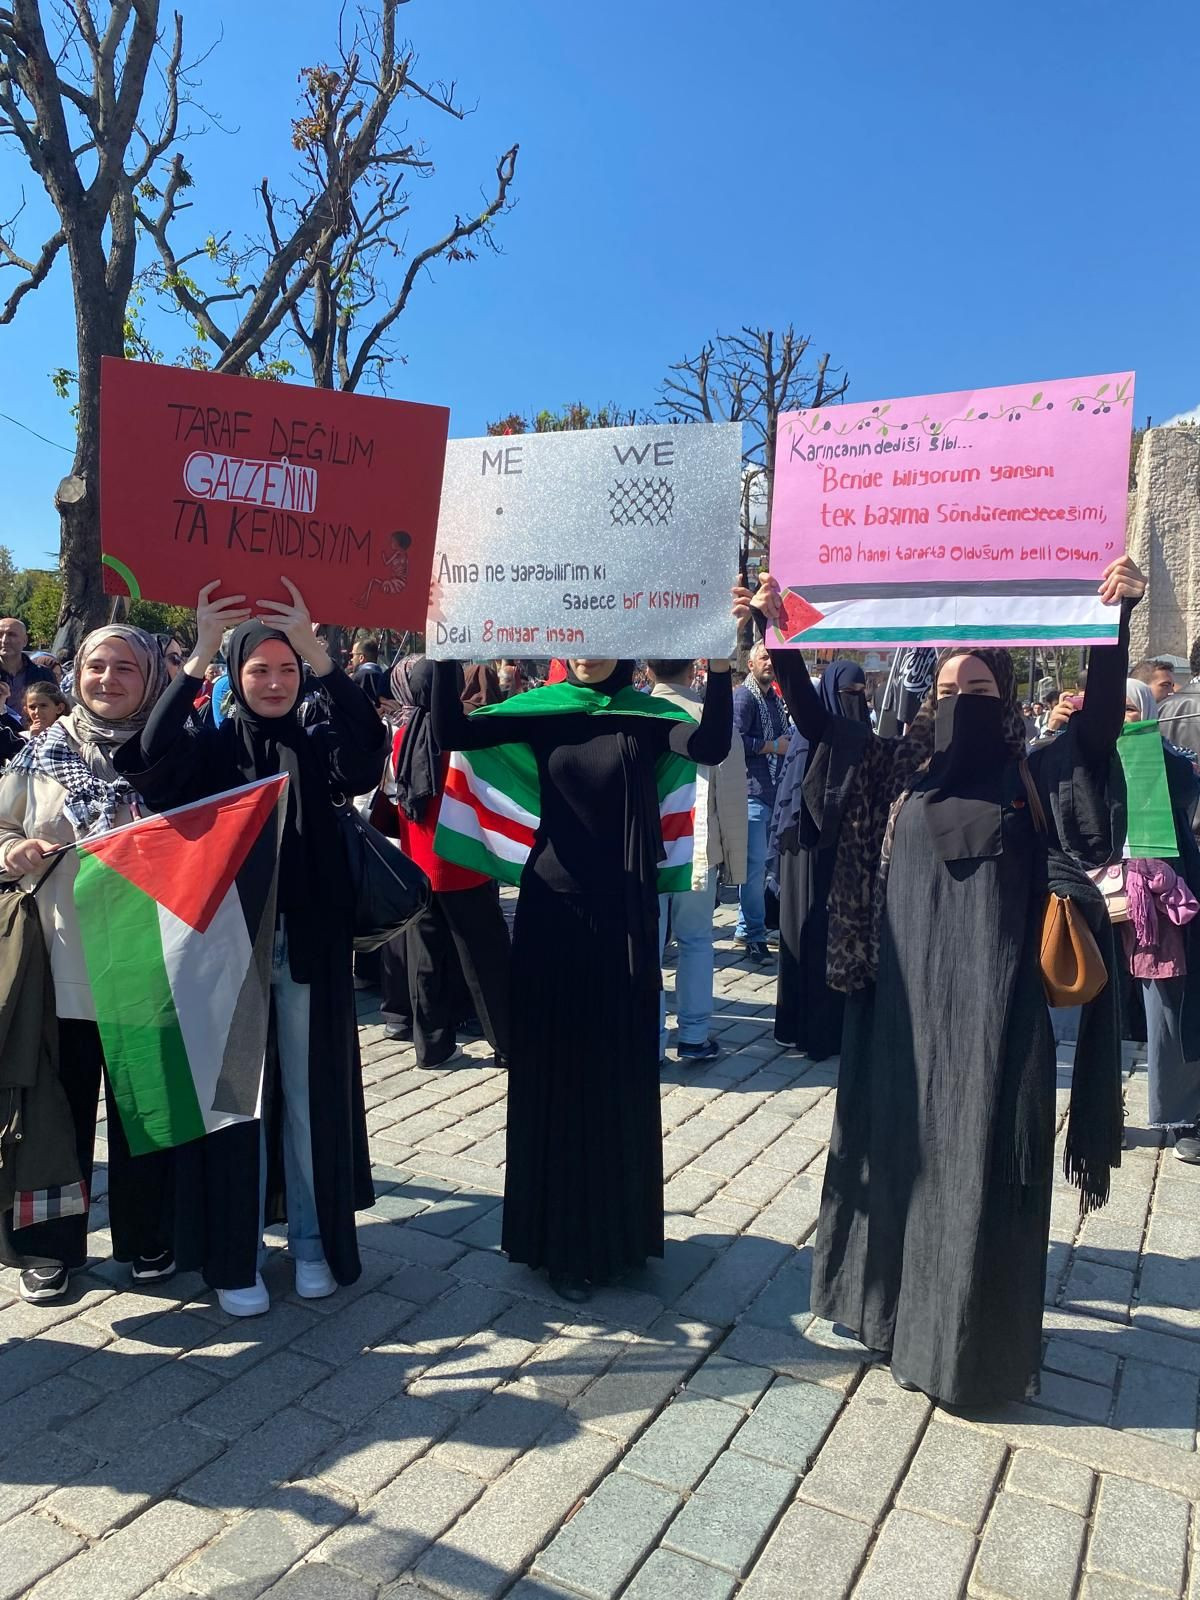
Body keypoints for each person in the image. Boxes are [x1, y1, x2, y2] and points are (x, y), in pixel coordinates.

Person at [743, 557, 1144, 1407]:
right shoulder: (900, 769)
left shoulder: (1031, 774)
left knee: (972, 1181)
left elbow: (1102, 728)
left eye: (982, 689)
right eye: (953, 687)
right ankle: (884, 1315)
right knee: (895, 1163)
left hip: (989, 1022)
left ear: (1003, 701)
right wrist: (776, 628)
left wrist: (1117, 624)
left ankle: (964, 1351)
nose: (965, 701)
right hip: (898, 1016)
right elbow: (814, 718)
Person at [431, 604, 741, 1302]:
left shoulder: (645, 715)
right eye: (577, 638)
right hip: (551, 911)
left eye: (605, 639)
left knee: (619, 1069)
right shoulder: (543, 708)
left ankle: (621, 1235)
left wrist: (721, 669)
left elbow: (714, 744)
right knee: (558, 1065)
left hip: (627, 915)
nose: (590, 652)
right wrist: (448, 644)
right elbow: (451, 729)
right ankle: (559, 1241)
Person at [115, 579, 385, 1316]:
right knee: (238, 1104)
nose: (273, 682)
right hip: (225, 954)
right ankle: (236, 1256)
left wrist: (317, 653)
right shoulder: (210, 746)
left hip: (308, 947)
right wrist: (200, 652)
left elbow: (367, 756)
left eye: (285, 669)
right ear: (237, 675)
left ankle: (310, 1242)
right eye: (259, 669)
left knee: (305, 1098)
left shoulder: (317, 738)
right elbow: (148, 758)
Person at [0, 625, 175, 1301]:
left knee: (143, 1113)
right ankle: (51, 1249)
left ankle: (147, 1236)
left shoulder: (170, 754)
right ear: (75, 672)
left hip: (146, 961)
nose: (108, 679)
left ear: (150, 677)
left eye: (125, 667)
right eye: (96, 665)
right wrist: (11, 852)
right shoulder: (39, 753)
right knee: (57, 1117)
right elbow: (3, 827)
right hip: (57, 965)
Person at [383, 656, 511, 1068]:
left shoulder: (401, 736)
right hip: (463, 863)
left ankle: (433, 1047)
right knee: (485, 959)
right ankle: (507, 1043)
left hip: (418, 864)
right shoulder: (460, 737)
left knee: (426, 960)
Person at [1112, 678, 1200, 1158]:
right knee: (1100, 1006)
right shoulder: (1077, 750)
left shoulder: (1167, 758)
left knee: (1167, 1004)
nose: (1119, 717)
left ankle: (1180, 1114)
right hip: (1097, 895)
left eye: (1127, 708)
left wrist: (1145, 743)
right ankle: (1100, 1111)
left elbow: (1187, 791)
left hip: (1160, 898)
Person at [647, 657, 748, 1064]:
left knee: (648, 951)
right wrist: (736, 863)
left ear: (649, 671)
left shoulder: (635, 714)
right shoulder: (715, 718)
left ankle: (650, 1038)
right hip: (699, 850)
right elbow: (733, 801)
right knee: (696, 942)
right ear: (693, 670)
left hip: (647, 853)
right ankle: (693, 1034)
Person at [770, 659, 871, 1062]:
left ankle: (825, 1026)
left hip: (841, 851)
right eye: (849, 694)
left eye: (862, 694)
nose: (856, 701)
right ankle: (801, 1026)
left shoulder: (861, 733)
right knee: (802, 936)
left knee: (829, 937)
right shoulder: (815, 730)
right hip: (804, 849)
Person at [733, 640, 792, 965]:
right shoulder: (745, 696)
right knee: (754, 872)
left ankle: (746, 927)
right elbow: (733, 738)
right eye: (764, 657)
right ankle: (754, 936)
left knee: (762, 871)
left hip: (771, 792)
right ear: (751, 663)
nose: (769, 662)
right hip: (751, 793)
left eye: (772, 657)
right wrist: (771, 746)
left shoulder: (772, 698)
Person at [0, 617, 57, 726]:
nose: (5, 640)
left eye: (12, 634)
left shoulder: (43, 674)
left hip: (36, 738)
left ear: (25, 640)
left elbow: (56, 711)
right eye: (0, 635)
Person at [350, 638, 388, 707]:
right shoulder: (386, 677)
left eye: (352, 655)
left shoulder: (359, 677)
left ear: (361, 657)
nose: (351, 659)